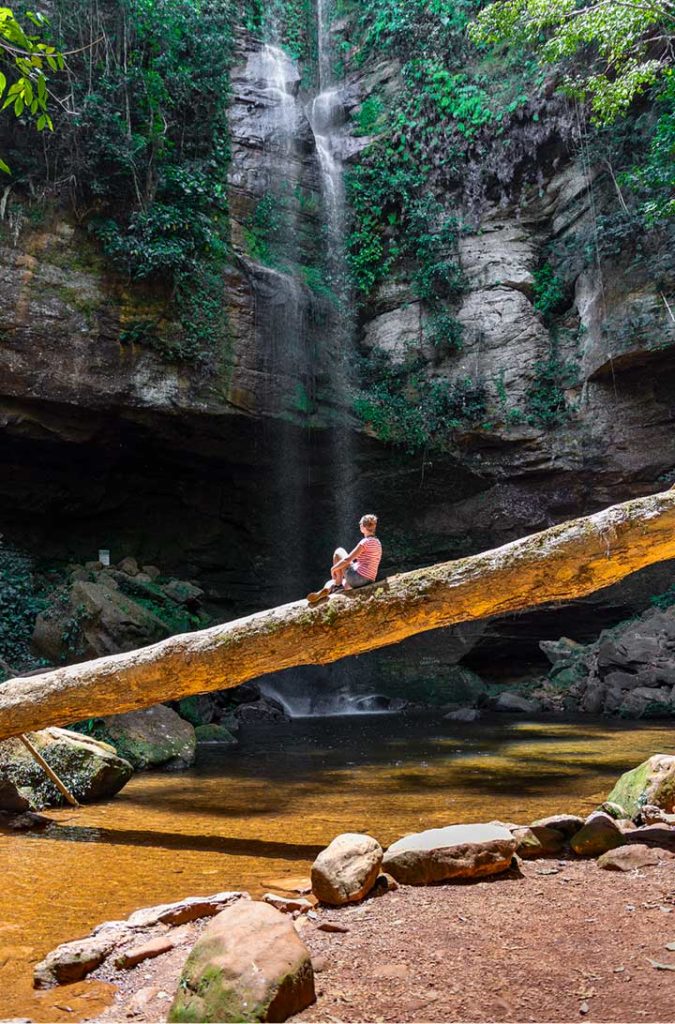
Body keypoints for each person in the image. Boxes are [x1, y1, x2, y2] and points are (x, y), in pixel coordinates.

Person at [307, 514, 382, 604]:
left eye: (360, 524)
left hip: (358, 578)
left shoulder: (365, 542)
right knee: (330, 582)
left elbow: (347, 559)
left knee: (339, 551)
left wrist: (333, 568)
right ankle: (330, 588)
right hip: (369, 579)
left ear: (363, 526)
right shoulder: (377, 542)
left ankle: (337, 585)